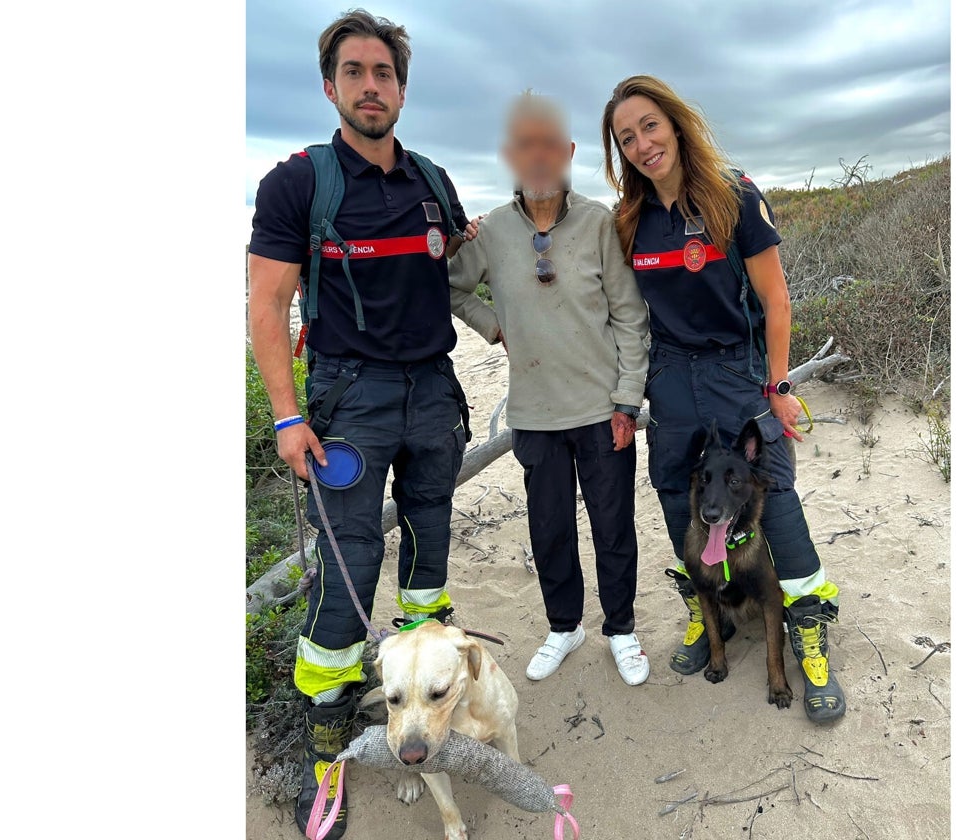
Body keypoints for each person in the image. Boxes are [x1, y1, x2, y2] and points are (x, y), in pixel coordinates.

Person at [247, 10, 480, 835]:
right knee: (346, 569)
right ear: (330, 86)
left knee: (427, 553)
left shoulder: (434, 180)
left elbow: (460, 263)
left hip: (435, 395)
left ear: (403, 89)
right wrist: (284, 416)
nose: (371, 86)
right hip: (349, 401)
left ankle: (427, 718)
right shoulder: (297, 184)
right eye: (355, 72)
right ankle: (328, 754)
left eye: (383, 73)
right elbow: (268, 303)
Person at [601, 75, 846, 722]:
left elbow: (775, 300)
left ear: (676, 124)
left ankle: (807, 625)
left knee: (775, 493)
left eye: (649, 126)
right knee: (679, 493)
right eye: (626, 137)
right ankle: (706, 609)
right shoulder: (629, 219)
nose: (642, 144)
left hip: (737, 373)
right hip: (670, 380)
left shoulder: (733, 195)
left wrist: (780, 386)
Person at [450, 93, 652, 686]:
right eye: (523, 146)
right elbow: (450, 287)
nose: (537, 158)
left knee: (614, 526)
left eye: (548, 145)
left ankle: (621, 628)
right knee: (550, 528)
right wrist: (494, 327)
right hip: (533, 414)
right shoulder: (490, 232)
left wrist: (627, 402)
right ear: (510, 156)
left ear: (566, 153)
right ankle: (565, 626)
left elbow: (630, 317)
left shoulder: (599, 223)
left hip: (601, 409)